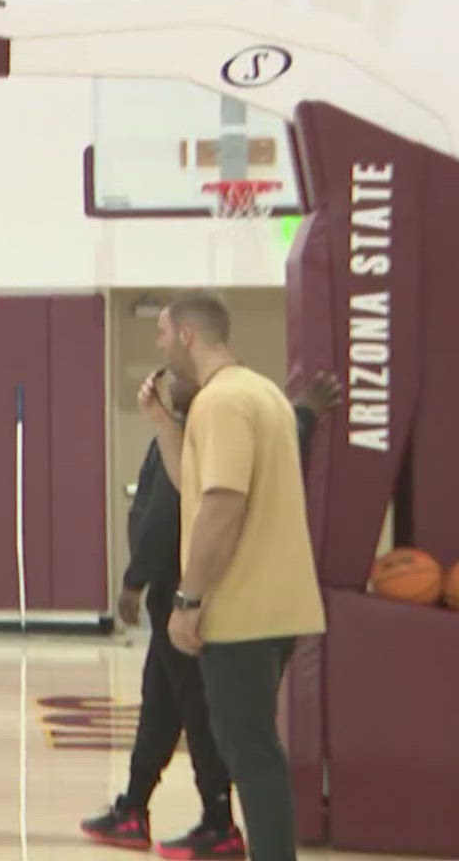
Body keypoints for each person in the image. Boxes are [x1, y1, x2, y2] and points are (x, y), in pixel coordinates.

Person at [81, 365, 339, 858]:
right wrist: (302, 414)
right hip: (185, 601)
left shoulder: (196, 438)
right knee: (160, 707)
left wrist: (135, 581)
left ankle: (218, 821)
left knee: (208, 719)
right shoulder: (230, 426)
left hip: (194, 599)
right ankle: (133, 807)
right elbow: (284, 448)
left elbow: (168, 517)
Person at [158, 292, 326, 861]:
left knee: (250, 752)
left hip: (241, 609)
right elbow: (195, 484)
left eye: (161, 335)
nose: (159, 348)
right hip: (277, 606)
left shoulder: (221, 403)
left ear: (186, 336)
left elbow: (223, 504)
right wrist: (161, 420)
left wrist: (188, 600)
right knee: (252, 748)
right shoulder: (262, 393)